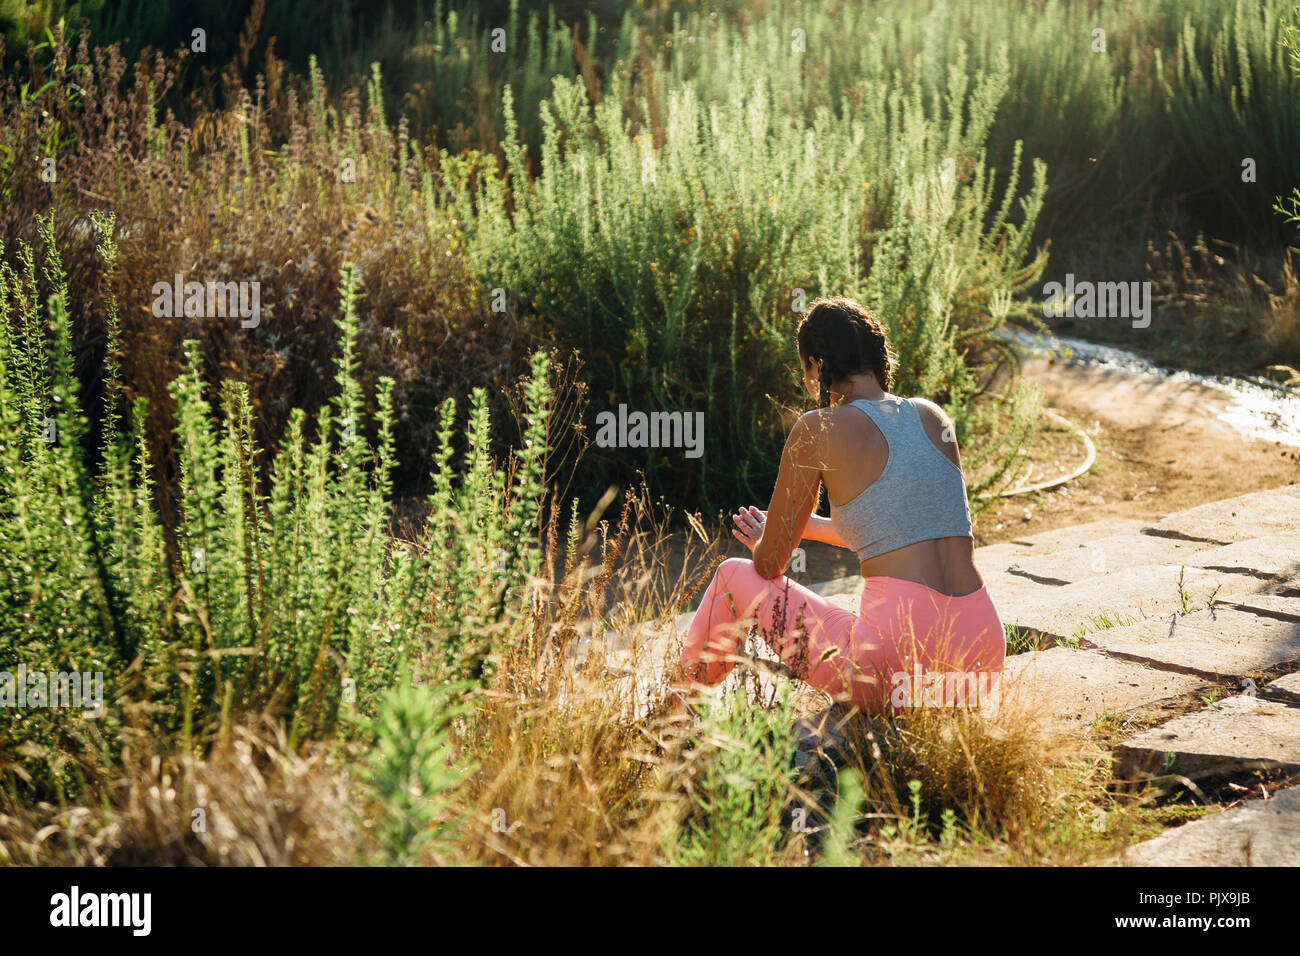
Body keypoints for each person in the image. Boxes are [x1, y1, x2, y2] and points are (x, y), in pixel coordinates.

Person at [677, 296, 1005, 714]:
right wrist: (805, 525)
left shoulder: (818, 428)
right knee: (853, 617)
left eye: (805, 369)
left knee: (730, 577)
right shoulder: (932, 416)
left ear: (816, 364)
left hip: (894, 670)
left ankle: (675, 713)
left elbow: (769, 567)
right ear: (877, 356)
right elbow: (901, 527)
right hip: (980, 661)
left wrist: (768, 542)